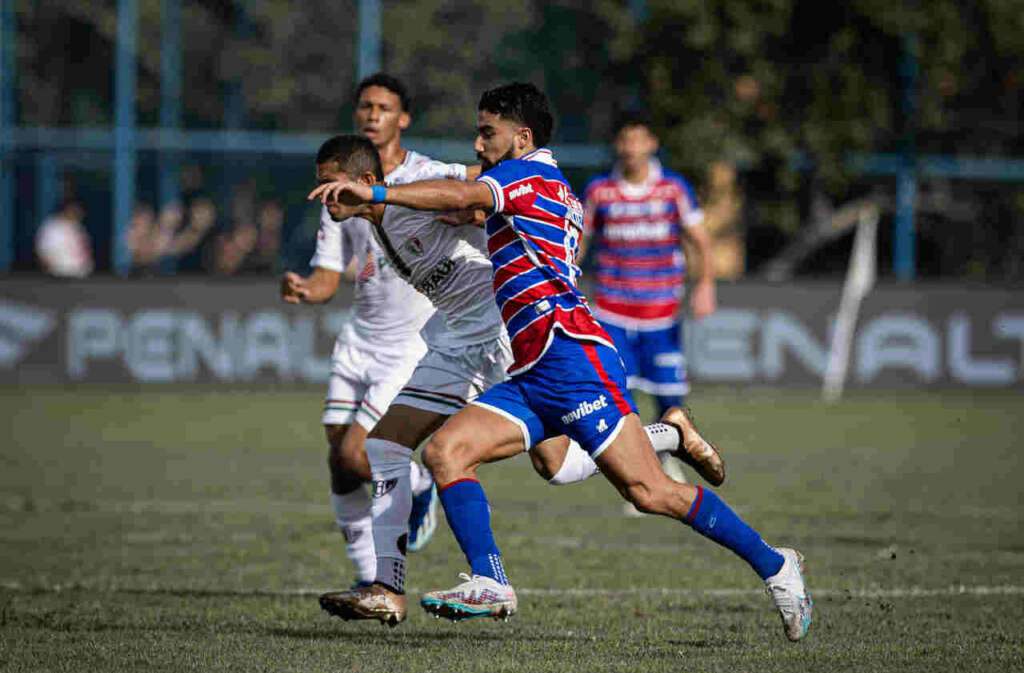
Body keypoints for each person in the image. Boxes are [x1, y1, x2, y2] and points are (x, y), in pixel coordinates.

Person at [309, 82, 812, 641]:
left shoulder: (529, 176)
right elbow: (471, 205)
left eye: (487, 132)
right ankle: (489, 580)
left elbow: (461, 196)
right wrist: (459, 211)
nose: (478, 144)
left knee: (649, 493)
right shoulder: (523, 183)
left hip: (572, 358)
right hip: (529, 369)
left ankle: (776, 564)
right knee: (447, 452)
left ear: (521, 137)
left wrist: (384, 196)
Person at [305, 134, 707, 628]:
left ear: (367, 182)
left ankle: (667, 434)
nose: (322, 195)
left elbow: (473, 185)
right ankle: (386, 588)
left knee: (557, 467)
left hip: (503, 335)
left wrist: (472, 209)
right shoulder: (368, 221)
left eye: (330, 185)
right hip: (457, 340)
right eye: (319, 185)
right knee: (386, 444)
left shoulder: (411, 185)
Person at [280, 74, 454, 599]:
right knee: (338, 456)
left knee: (360, 455)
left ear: (403, 119)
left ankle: (421, 485)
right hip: (358, 339)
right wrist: (307, 289)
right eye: (364, 106)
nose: (371, 114)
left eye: (384, 107)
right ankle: (364, 574)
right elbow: (329, 273)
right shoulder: (339, 184)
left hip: (410, 345)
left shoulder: (427, 175)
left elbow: (473, 193)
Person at [581, 115, 718, 512]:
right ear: (618, 145)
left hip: (662, 311)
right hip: (612, 310)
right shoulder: (600, 191)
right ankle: (638, 477)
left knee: (671, 397)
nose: (631, 148)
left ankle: (667, 465)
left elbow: (700, 240)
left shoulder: (673, 188)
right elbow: (582, 242)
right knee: (620, 397)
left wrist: (705, 284)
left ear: (652, 143)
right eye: (624, 140)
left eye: (638, 140)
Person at [35, 200, 92, 278]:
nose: (79, 214)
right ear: (66, 210)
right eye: (75, 210)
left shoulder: (77, 227)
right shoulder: (52, 227)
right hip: (59, 274)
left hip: (79, 273)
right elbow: (43, 252)